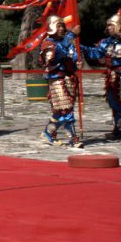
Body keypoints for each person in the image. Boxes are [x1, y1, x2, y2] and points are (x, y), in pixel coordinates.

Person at [81, 10, 121, 139]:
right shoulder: (106, 42)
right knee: (114, 103)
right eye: (108, 25)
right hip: (111, 76)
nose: (108, 28)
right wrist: (81, 47)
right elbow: (96, 53)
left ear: (119, 25)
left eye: (111, 25)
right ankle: (119, 129)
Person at [40, 16, 83, 148]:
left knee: (60, 112)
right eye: (58, 26)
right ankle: (73, 138)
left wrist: (77, 62)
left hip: (69, 79)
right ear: (52, 27)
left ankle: (48, 132)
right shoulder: (48, 43)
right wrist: (71, 35)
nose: (61, 29)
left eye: (62, 26)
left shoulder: (68, 42)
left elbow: (72, 56)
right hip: (57, 80)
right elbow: (55, 55)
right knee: (66, 110)